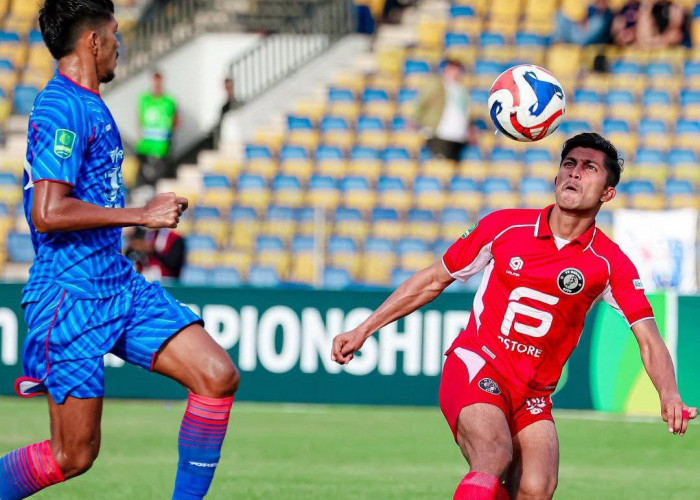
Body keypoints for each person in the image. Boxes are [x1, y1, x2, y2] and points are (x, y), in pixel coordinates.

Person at [331, 133, 697, 499]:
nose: (575, 173)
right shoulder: (505, 227)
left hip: (533, 394)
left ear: (607, 193)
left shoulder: (610, 263)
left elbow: (648, 337)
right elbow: (433, 279)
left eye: (589, 168)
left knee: (537, 488)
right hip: (479, 364)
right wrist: (364, 329)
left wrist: (669, 393)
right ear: (556, 177)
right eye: (569, 164)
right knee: (493, 455)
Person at [0, 2, 239, 499]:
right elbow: (47, 211)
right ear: (92, 42)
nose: (118, 45)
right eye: (113, 35)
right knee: (72, 456)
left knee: (216, 376)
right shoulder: (62, 107)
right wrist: (140, 214)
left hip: (117, 282)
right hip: (71, 295)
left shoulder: (90, 103)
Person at [413, 59, 476, 162]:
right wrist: (417, 121)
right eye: (452, 69)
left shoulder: (462, 90)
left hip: (459, 135)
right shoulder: (437, 85)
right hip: (440, 133)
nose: (455, 73)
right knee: (440, 163)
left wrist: (469, 130)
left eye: (457, 70)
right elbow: (422, 103)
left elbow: (465, 112)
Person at [136, 70, 178, 185]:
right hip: (145, 147)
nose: (156, 84)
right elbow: (140, 120)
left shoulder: (169, 101)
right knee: (143, 179)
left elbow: (175, 121)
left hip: (162, 148)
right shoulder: (144, 99)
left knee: (160, 180)